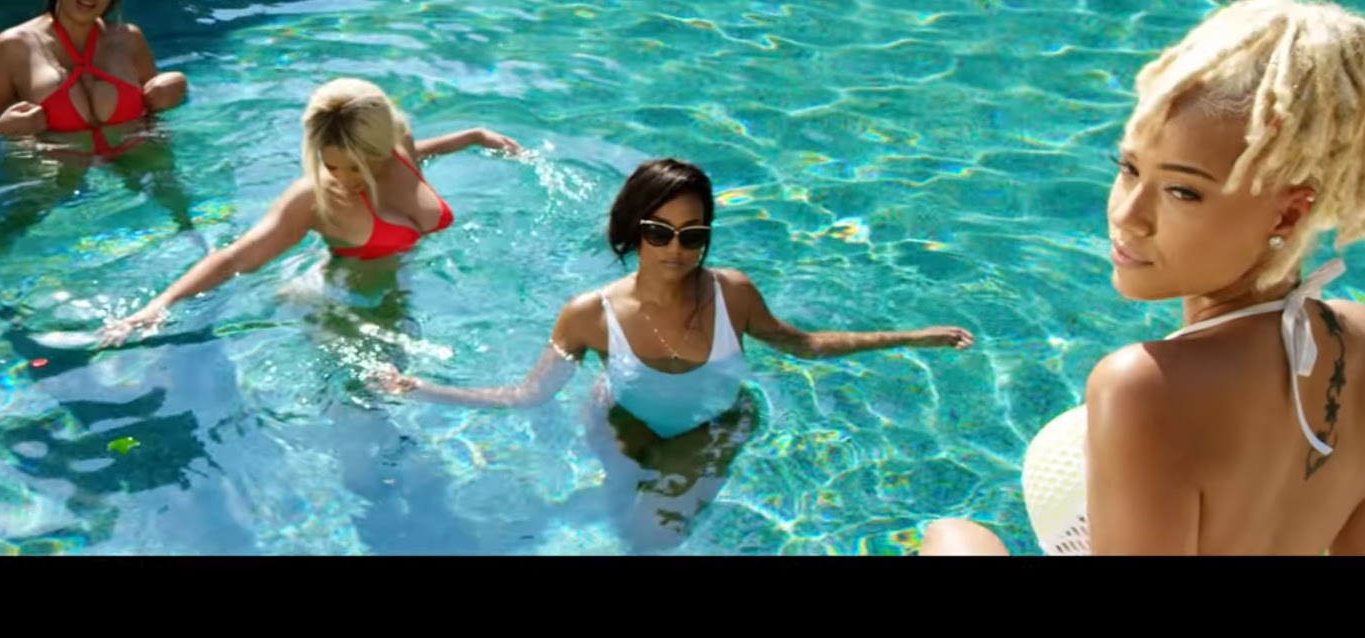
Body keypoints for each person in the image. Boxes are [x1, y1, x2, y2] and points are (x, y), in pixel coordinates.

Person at [920, 0, 1365, 556]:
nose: (1128, 215)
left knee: (954, 538)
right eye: (1129, 168)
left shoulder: (1144, 386)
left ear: (1286, 215)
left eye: (1183, 191)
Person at [371, 157, 975, 549]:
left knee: (652, 538)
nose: (676, 249)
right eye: (659, 232)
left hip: (713, 425)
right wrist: (422, 388)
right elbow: (530, 394)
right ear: (634, 229)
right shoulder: (588, 314)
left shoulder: (732, 294)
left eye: (693, 235)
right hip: (620, 420)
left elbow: (806, 344)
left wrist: (909, 337)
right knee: (620, 515)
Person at [96, 77, 522, 347]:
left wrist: (471, 137)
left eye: (357, 166)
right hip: (343, 306)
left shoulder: (398, 147)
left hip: (400, 295)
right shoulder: (313, 198)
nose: (344, 179)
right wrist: (161, 303)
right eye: (331, 164)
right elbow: (235, 257)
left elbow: (416, 156)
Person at [0, 0, 199, 315]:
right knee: (14, 227)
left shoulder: (128, 40)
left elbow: (153, 103)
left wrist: (171, 96)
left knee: (184, 219)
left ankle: (199, 266)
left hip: (137, 153)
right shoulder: (15, 47)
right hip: (55, 166)